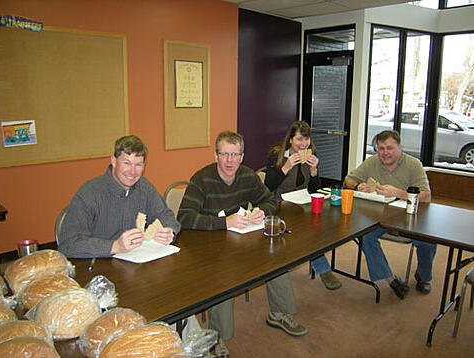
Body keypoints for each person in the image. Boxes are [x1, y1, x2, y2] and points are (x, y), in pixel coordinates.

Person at [178, 131, 308, 358]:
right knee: (225, 276)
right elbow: (184, 217)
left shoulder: (247, 176)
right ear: (216, 155)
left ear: (242, 156)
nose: (229, 160)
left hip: (240, 240)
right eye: (224, 154)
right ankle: (218, 336)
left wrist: (261, 211)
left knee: (275, 258)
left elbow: (270, 200)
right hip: (208, 246)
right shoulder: (202, 178)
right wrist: (222, 223)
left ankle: (279, 314)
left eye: (234, 155)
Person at [343, 130, 436, 299]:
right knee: (365, 236)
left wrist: (399, 192)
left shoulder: (413, 164)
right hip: (379, 216)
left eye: (389, 148)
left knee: (428, 241)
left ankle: (423, 276)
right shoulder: (372, 162)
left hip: (408, 217)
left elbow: (426, 196)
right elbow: (348, 180)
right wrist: (357, 186)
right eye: (380, 148)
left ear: (399, 147)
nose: (385, 153)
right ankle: (390, 279)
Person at [58, 135, 180, 258]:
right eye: (127, 163)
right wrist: (115, 246)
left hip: (137, 263)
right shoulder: (90, 192)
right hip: (99, 266)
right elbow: (68, 244)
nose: (132, 172)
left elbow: (166, 216)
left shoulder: (144, 187)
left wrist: (169, 232)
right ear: (114, 161)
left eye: (138, 165)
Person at [264, 121, 342, 290]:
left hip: (301, 201)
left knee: (318, 227)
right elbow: (269, 185)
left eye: (306, 139)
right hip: (280, 203)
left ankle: (322, 269)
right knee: (306, 230)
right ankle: (321, 268)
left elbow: (313, 188)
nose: (303, 144)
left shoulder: (311, 153)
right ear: (290, 140)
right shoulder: (277, 154)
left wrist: (314, 171)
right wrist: (286, 166)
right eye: (299, 139)